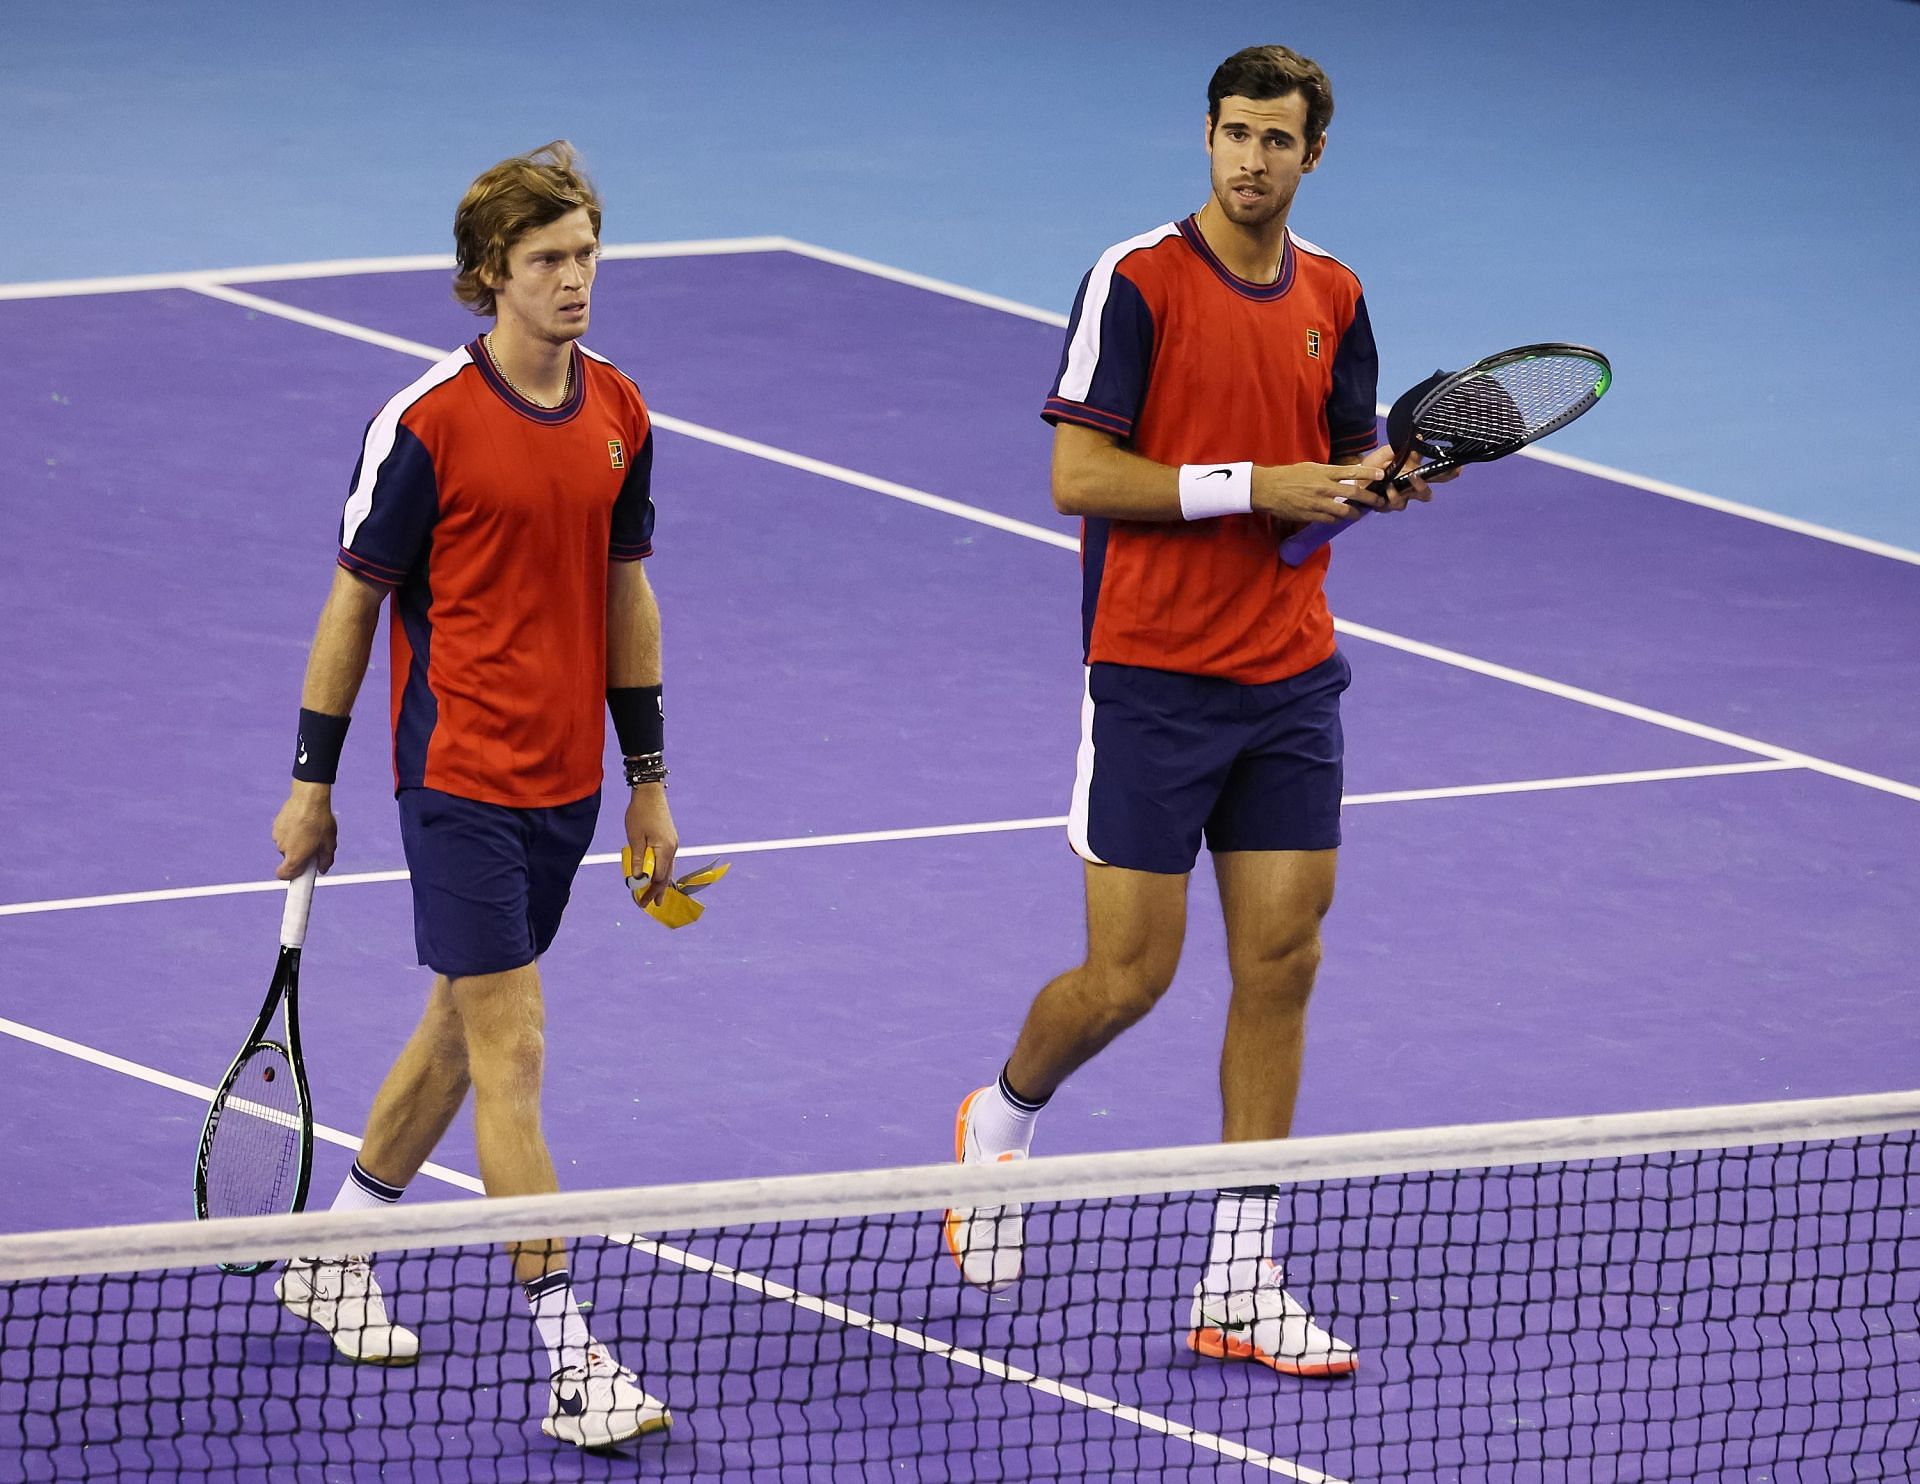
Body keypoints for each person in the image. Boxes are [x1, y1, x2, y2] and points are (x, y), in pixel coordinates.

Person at [944, 46, 1448, 1377]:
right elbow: (1076, 473)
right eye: (1233, 134)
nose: (1251, 161)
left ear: (1313, 155)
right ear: (1207, 136)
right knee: (1132, 975)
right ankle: (1001, 1117)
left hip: (1289, 679)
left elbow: (1338, 457)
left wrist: (1370, 480)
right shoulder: (1140, 282)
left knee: (1281, 965)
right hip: (1156, 679)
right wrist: (1255, 488)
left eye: (1278, 141)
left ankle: (1241, 1274)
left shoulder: (1334, 294)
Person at [269, 141, 680, 1448]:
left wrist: (649, 781)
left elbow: (626, 594)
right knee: (515, 1048)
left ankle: (333, 1250)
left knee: (459, 1021)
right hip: (453, 779)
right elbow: (354, 602)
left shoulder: (622, 408)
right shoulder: (428, 425)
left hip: (565, 784)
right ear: (489, 274)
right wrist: (310, 783)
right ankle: (570, 1356)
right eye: (550, 259)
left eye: (588, 253)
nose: (576, 278)